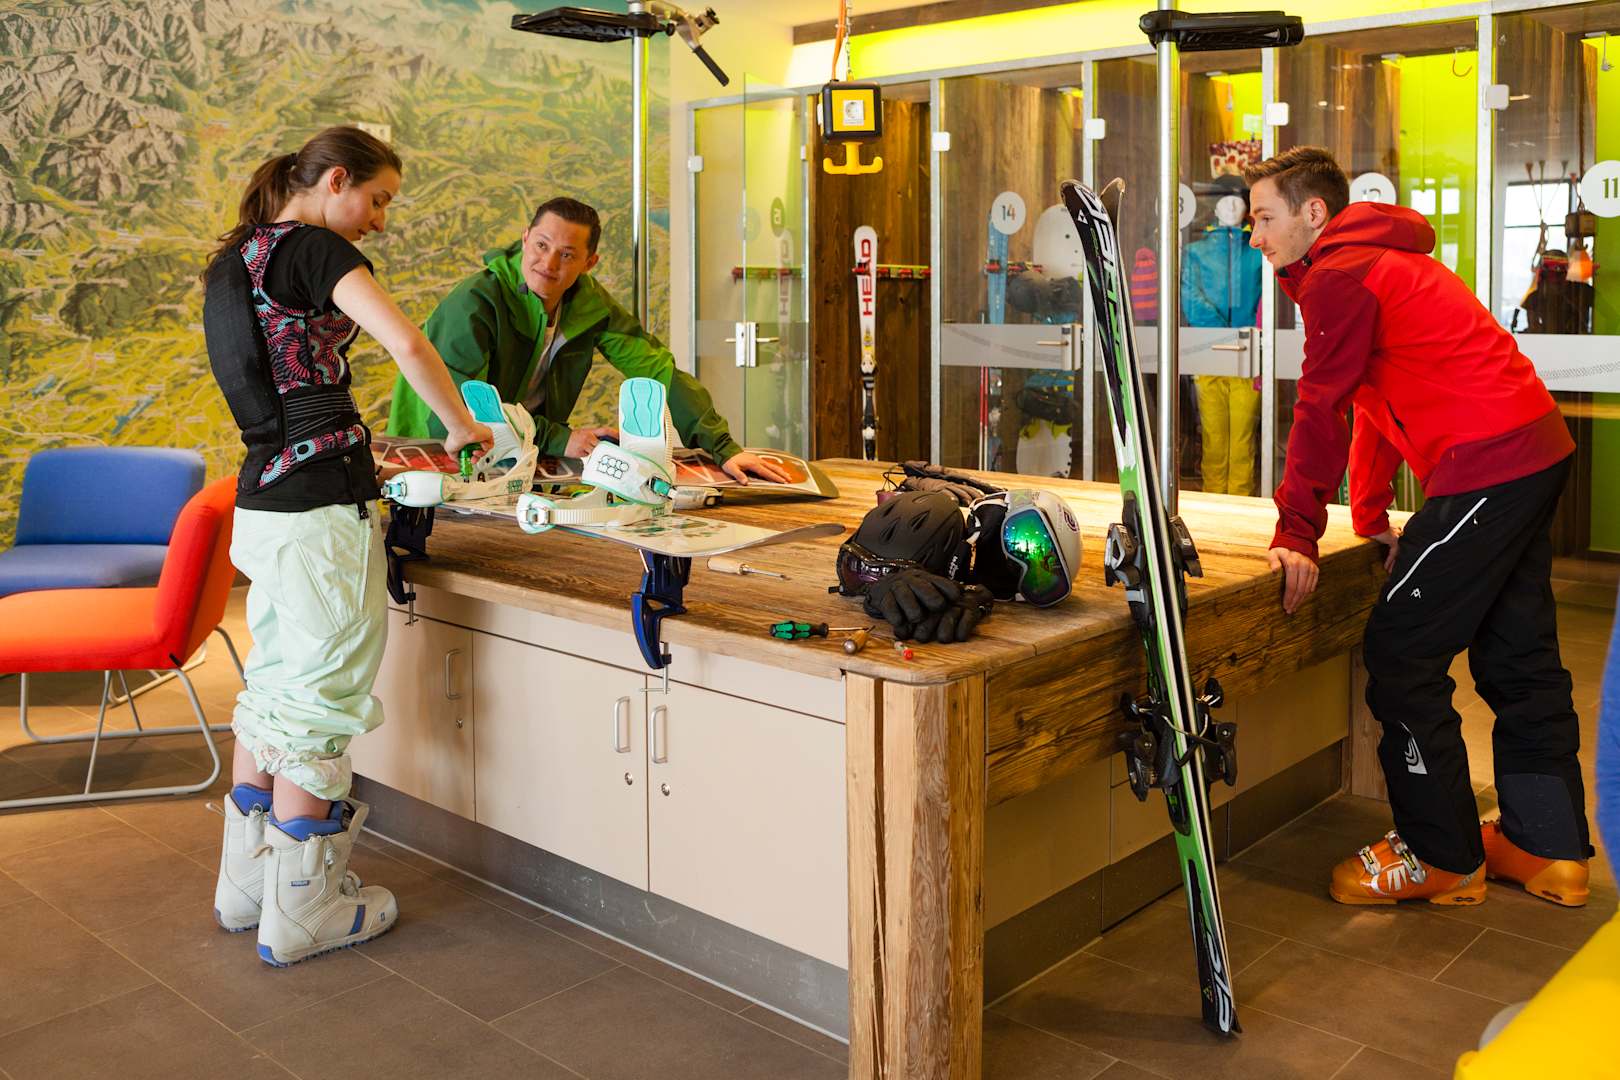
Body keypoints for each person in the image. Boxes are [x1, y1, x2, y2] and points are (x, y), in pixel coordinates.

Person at [1246, 146, 1591, 907]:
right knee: (1518, 653)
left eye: (1264, 217)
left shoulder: (1340, 275)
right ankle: (1547, 848)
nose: (1255, 236)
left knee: (1400, 651)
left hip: (1488, 463)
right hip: (1534, 448)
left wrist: (1297, 531)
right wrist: (1369, 514)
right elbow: (1374, 398)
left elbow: (1321, 408)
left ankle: (1441, 855)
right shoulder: (1377, 261)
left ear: (1313, 212)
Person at [202, 126, 493, 964]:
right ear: (335, 180)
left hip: (264, 500)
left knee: (274, 684)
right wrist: (461, 429)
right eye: (377, 198)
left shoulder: (234, 257)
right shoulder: (314, 249)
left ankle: (247, 887)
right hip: (321, 505)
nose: (379, 219)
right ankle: (305, 910)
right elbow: (407, 342)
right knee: (320, 698)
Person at [387, 196, 787, 484]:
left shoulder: (590, 305)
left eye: (566, 255)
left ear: (589, 262)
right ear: (525, 239)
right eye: (541, 245)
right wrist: (561, 438)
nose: (548, 263)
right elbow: (461, 408)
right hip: (434, 451)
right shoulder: (475, 301)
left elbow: (657, 371)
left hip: (517, 455)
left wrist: (724, 447)